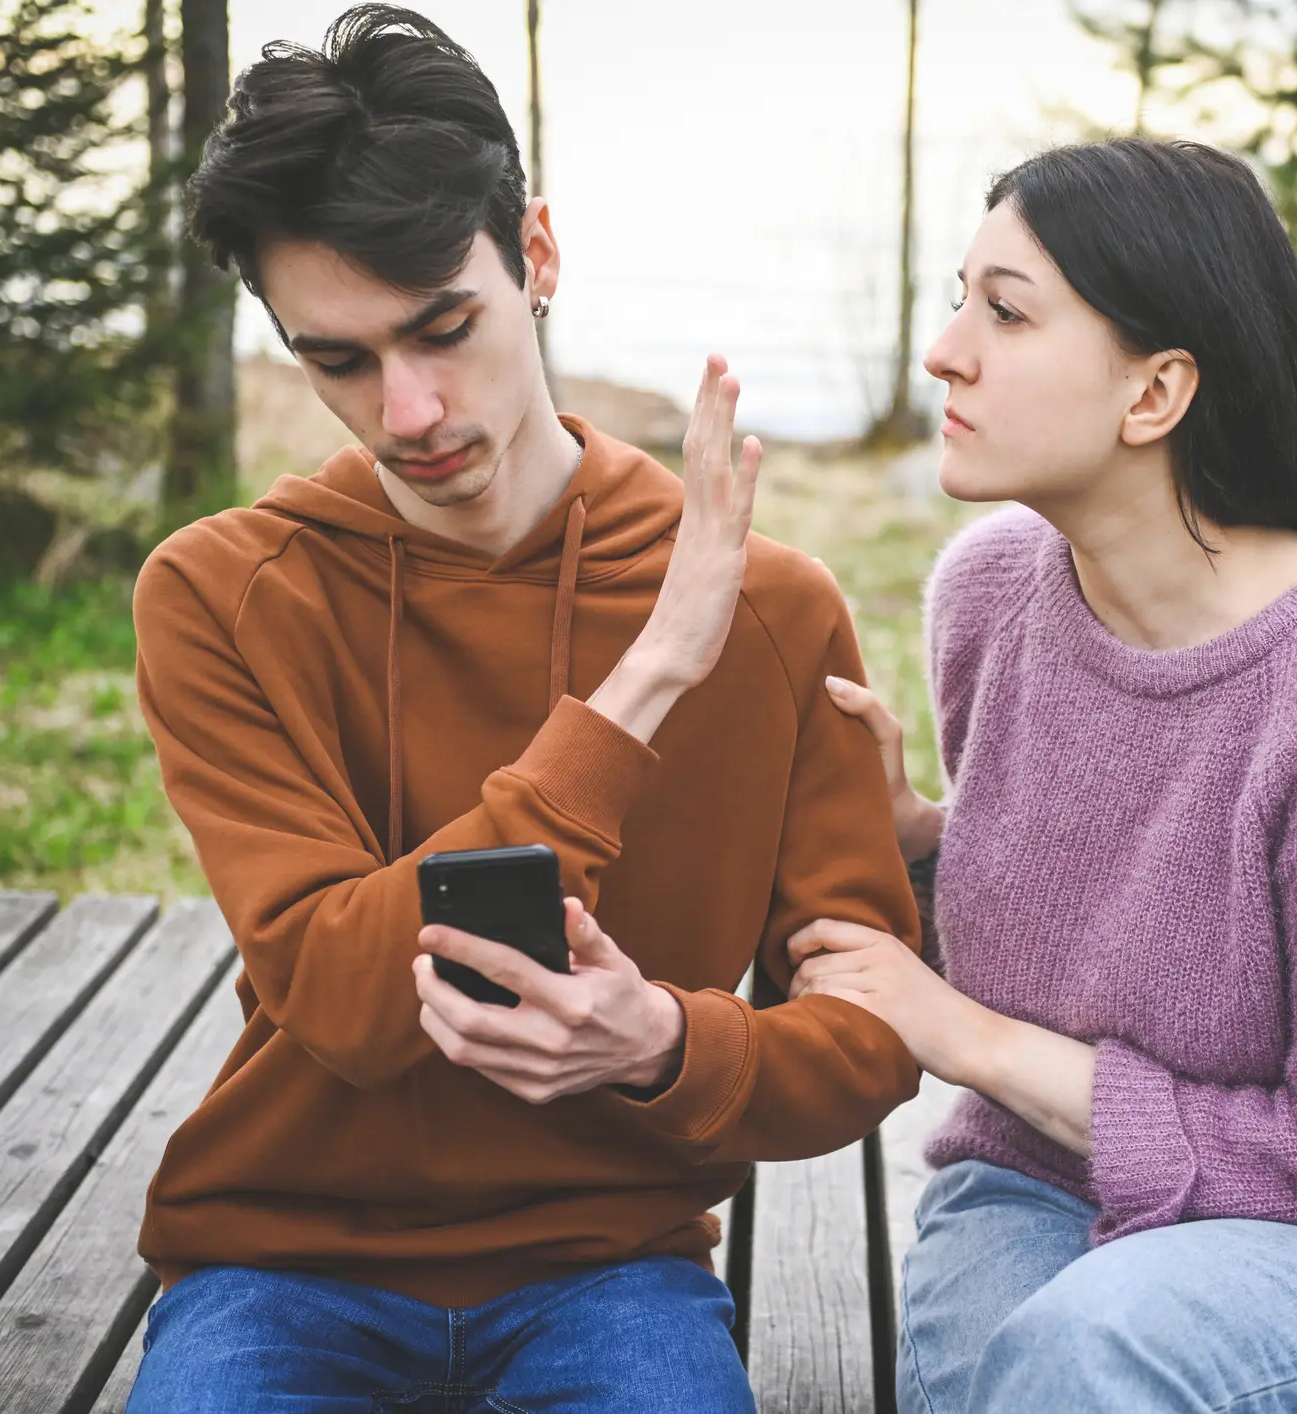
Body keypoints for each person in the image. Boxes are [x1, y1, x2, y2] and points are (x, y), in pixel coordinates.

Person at [123, 8, 921, 1410]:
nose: (410, 409)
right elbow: (350, 1003)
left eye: (443, 326)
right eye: (340, 360)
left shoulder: (774, 610)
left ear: (535, 256)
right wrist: (643, 682)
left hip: (610, 1266)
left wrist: (665, 1042)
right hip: (280, 1257)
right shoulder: (222, 594)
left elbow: (865, 1046)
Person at [787, 138, 1297, 1414]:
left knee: (1083, 1359)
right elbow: (1080, 935)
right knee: (1016, 1374)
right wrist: (915, 841)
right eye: (959, 300)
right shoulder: (989, 593)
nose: (946, 353)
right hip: (1039, 1181)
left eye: (1006, 312)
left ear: (1155, 394)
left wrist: (966, 1036)